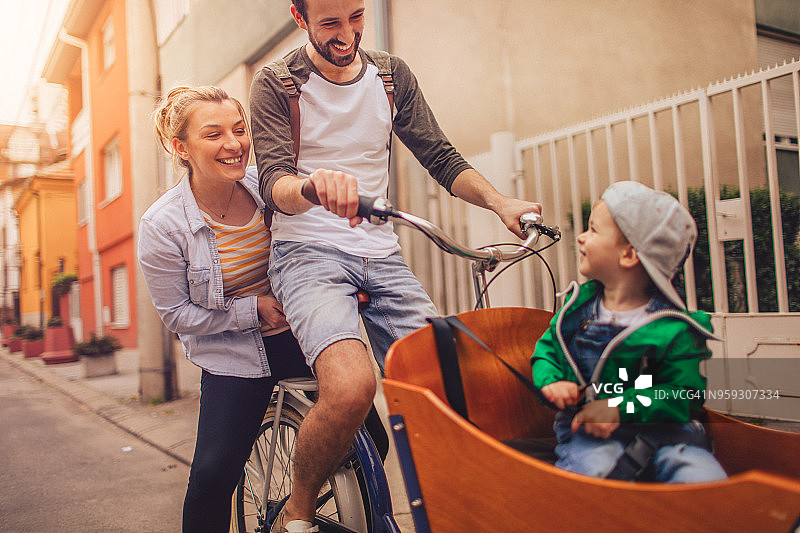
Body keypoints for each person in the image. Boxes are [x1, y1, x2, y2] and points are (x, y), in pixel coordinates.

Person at [249, 1, 542, 530]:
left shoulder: (389, 75)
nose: (347, 34)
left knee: (451, 382)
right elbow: (274, 183)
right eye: (330, 23)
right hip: (307, 252)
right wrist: (313, 188)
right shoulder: (276, 82)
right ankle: (298, 510)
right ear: (299, 16)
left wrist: (501, 203)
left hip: (382, 256)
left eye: (356, 16)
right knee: (351, 389)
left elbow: (441, 157)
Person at [138, 86, 313, 532]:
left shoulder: (266, 187)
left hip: (301, 336)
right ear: (181, 148)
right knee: (213, 475)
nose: (234, 144)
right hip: (234, 356)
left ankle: (304, 511)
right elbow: (176, 315)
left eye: (239, 129)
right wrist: (252, 309)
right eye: (213, 134)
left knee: (369, 438)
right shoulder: (163, 225)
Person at [531, 180, 728, 483]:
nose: (581, 237)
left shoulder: (676, 329)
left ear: (628, 255)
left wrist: (620, 407)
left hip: (667, 433)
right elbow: (548, 350)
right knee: (598, 472)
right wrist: (551, 381)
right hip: (591, 432)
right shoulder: (577, 309)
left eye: (593, 230)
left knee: (702, 477)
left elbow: (683, 394)